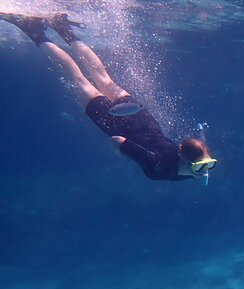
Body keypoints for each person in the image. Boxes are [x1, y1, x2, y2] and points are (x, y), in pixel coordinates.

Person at [0, 12, 216, 182]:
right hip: (116, 122)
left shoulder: (195, 153)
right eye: (201, 166)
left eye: (209, 164)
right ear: (184, 159)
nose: (205, 171)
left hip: (140, 116)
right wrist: (121, 153)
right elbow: (117, 140)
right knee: (78, 78)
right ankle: (34, 30)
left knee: (102, 76)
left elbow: (199, 140)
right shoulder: (158, 164)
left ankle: (62, 27)